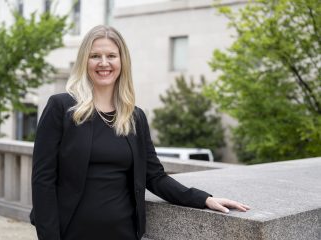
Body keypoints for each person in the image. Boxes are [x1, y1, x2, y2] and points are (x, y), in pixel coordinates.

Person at [30, 25, 250, 240]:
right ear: (83, 61)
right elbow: (43, 179)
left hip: (123, 232)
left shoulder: (134, 117)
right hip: (71, 232)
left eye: (111, 56)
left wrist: (203, 199)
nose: (103, 63)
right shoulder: (61, 107)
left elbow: (155, 177)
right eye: (95, 55)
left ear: (122, 61)